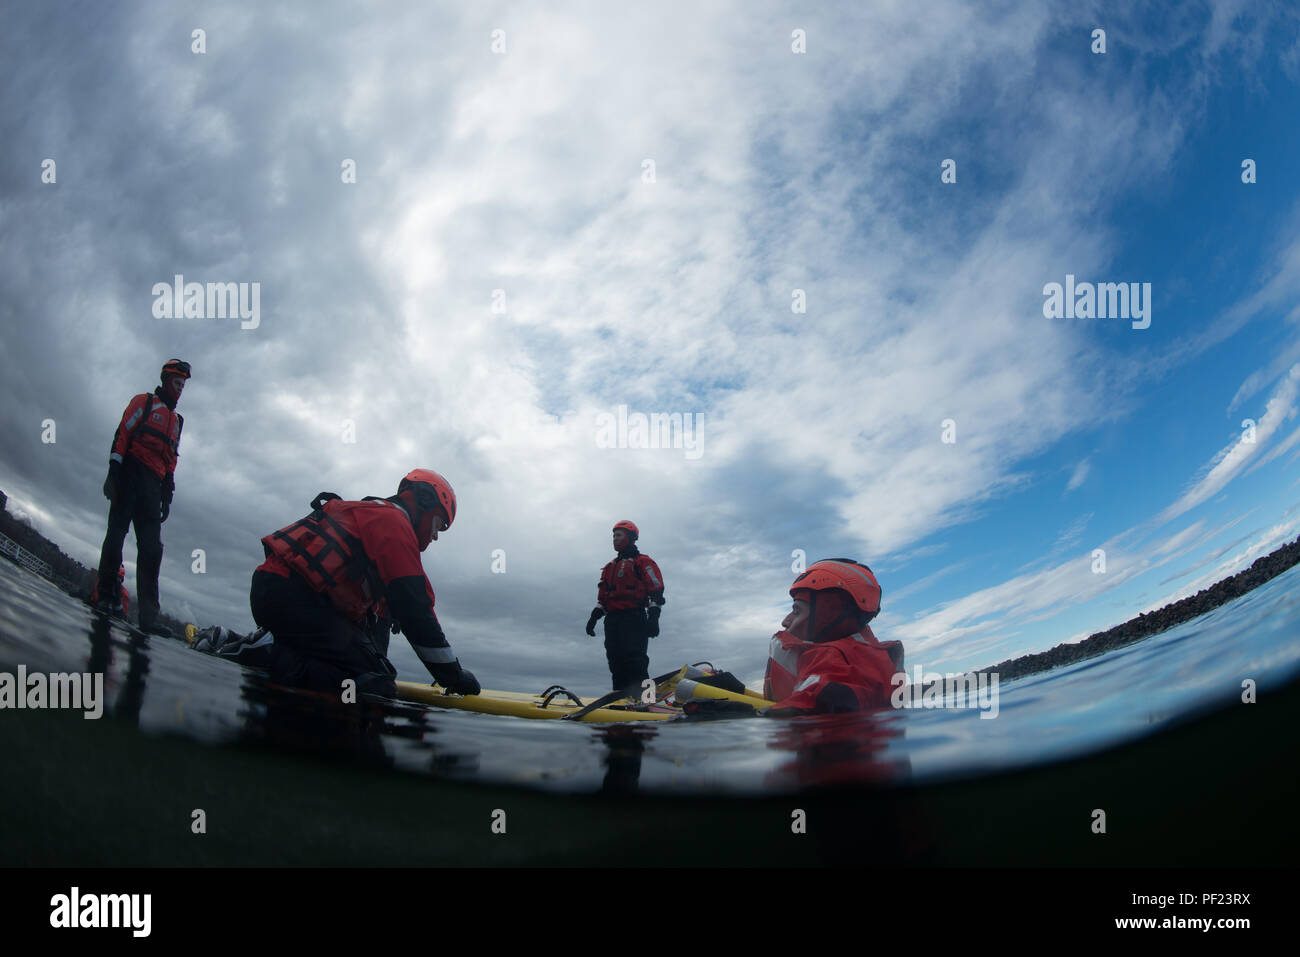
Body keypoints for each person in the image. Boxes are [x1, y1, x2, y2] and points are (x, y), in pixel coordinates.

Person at [250, 468, 480, 699]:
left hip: (279, 595)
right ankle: (265, 652)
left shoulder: (374, 520)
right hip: (291, 598)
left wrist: (378, 664)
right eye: (439, 524)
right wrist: (453, 675)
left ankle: (266, 648)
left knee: (375, 673)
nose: (436, 536)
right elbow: (415, 609)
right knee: (374, 685)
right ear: (425, 501)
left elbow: (376, 634)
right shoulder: (393, 522)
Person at [95, 359, 191, 634]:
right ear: (165, 380)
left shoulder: (177, 422)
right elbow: (123, 433)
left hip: (153, 486)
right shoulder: (143, 402)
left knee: (152, 549)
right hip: (130, 474)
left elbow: (171, 458)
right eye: (177, 383)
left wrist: (167, 493)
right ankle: (106, 596)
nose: (181, 388)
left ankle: (149, 617)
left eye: (184, 385)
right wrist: (114, 470)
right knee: (116, 534)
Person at [762, 559, 904, 715]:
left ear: (828, 614)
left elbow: (813, 703)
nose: (785, 622)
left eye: (797, 611)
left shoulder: (843, 666)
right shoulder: (863, 658)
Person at [585, 520, 665, 692]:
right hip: (613, 620)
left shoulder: (643, 562)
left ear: (630, 537)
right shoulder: (609, 567)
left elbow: (656, 591)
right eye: (613, 536)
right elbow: (603, 599)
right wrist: (593, 618)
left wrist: (654, 618)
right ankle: (620, 699)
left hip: (634, 617)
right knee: (615, 661)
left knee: (637, 660)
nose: (614, 539)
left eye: (618, 535)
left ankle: (647, 700)